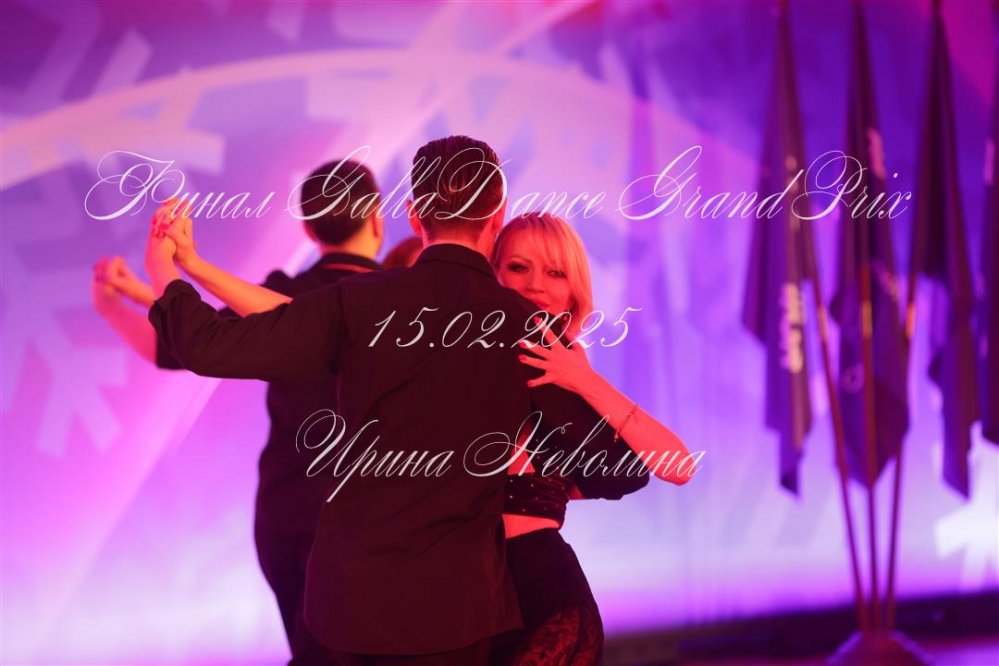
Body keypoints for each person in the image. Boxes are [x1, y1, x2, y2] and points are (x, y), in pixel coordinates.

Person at [145, 135, 651, 665]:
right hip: (457, 610)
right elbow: (622, 470)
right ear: (497, 217)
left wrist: (167, 267)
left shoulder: (360, 303)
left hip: (349, 603)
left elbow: (213, 344)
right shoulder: (526, 330)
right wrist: (543, 482)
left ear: (412, 214)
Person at [93, 158, 385, 666]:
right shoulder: (403, 302)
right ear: (377, 219)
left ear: (308, 228)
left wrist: (114, 305)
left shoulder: (284, 295)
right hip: (375, 519)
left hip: (290, 513)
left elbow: (180, 345)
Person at [489, 212, 694, 664]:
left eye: (555, 273)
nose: (535, 285)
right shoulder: (464, 354)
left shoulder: (569, 377)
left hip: (542, 597)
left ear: (573, 294)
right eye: (519, 267)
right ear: (493, 273)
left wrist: (583, 380)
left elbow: (677, 467)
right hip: (465, 597)